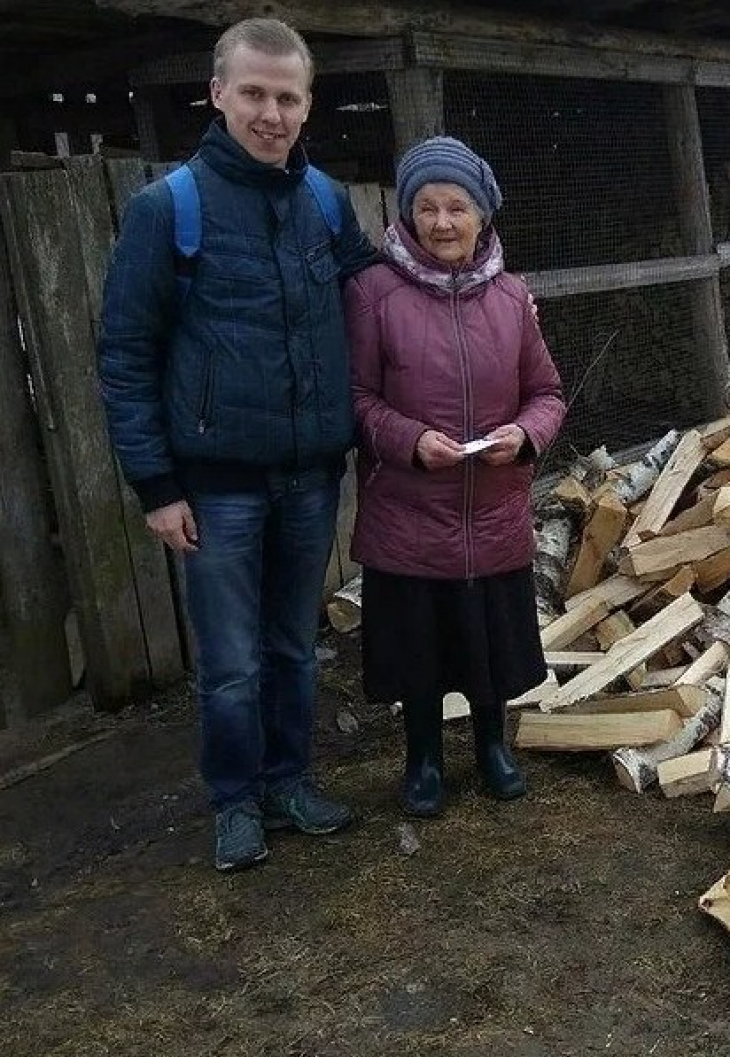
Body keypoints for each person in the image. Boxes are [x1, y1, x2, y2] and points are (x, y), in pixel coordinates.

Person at [99, 18, 378, 871]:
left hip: (307, 476)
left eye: (287, 97)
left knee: (294, 644)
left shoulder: (326, 203)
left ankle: (289, 783)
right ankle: (234, 802)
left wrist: (490, 306)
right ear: (217, 94)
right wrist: (156, 485)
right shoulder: (167, 209)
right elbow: (125, 352)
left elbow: (380, 299)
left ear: (306, 104)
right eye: (253, 93)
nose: (271, 113)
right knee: (227, 662)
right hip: (214, 484)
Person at [344, 137, 566, 818]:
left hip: (491, 511)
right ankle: (424, 761)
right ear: (408, 216)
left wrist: (526, 433)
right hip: (410, 516)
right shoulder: (374, 293)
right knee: (419, 650)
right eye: (427, 207)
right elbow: (355, 399)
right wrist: (410, 441)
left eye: (457, 207)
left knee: (488, 644)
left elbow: (548, 393)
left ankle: (493, 747)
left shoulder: (510, 297)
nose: (442, 222)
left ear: (483, 215)